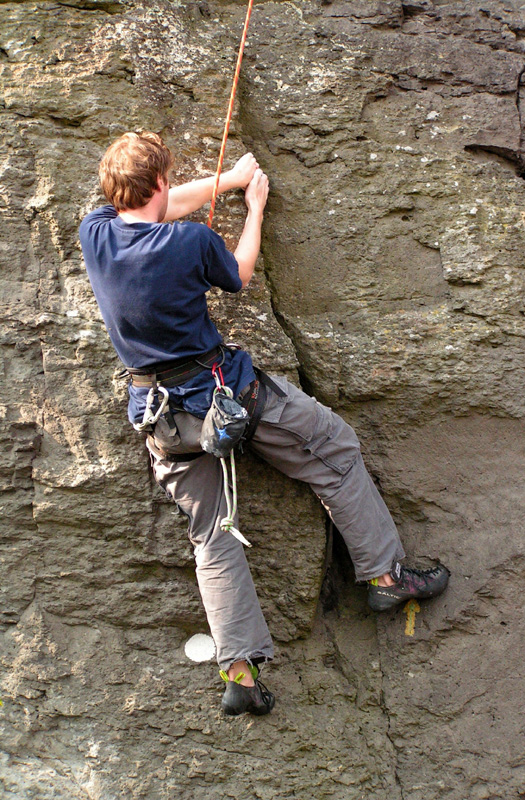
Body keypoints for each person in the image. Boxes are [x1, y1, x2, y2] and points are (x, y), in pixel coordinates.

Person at [79, 131, 449, 717]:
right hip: (229, 397)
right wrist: (251, 209)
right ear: (160, 185)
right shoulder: (191, 242)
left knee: (211, 538)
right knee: (334, 447)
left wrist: (224, 179)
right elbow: (239, 274)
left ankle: (239, 674)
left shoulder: (95, 235)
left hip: (163, 421)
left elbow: (150, 207)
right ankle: (385, 576)